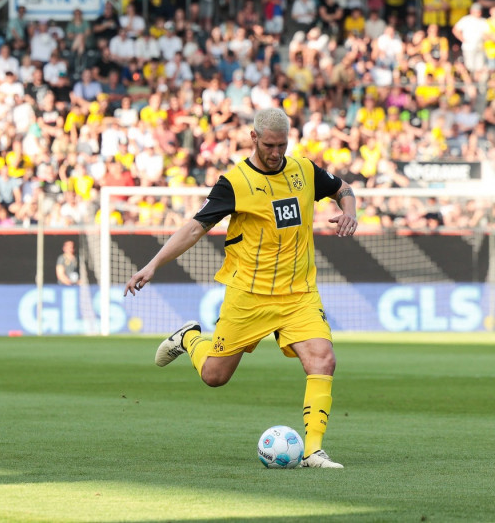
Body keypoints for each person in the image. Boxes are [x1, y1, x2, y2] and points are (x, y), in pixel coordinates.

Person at [124, 107, 358, 468]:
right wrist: (154, 263)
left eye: (282, 144)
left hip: (299, 294)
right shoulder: (234, 183)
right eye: (269, 145)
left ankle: (313, 450)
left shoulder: (304, 170)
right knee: (215, 376)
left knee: (323, 360)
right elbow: (194, 228)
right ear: (253, 138)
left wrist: (349, 211)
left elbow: (344, 189)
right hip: (248, 296)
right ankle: (189, 338)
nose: (276, 152)